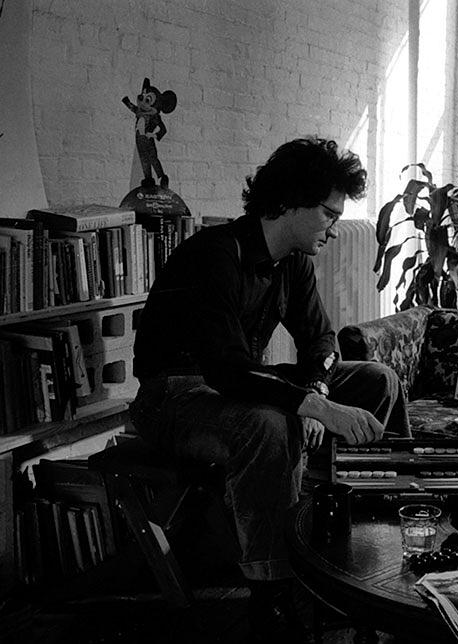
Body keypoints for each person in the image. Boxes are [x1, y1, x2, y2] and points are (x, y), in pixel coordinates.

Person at [129, 137, 409, 640]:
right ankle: (274, 592)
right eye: (328, 214)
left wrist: (316, 388)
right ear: (288, 203)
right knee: (267, 423)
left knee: (375, 378)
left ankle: (360, 534)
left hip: (237, 383)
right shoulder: (213, 255)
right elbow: (227, 370)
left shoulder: (293, 261)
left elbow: (321, 340)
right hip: (173, 396)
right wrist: (314, 406)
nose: (334, 229)